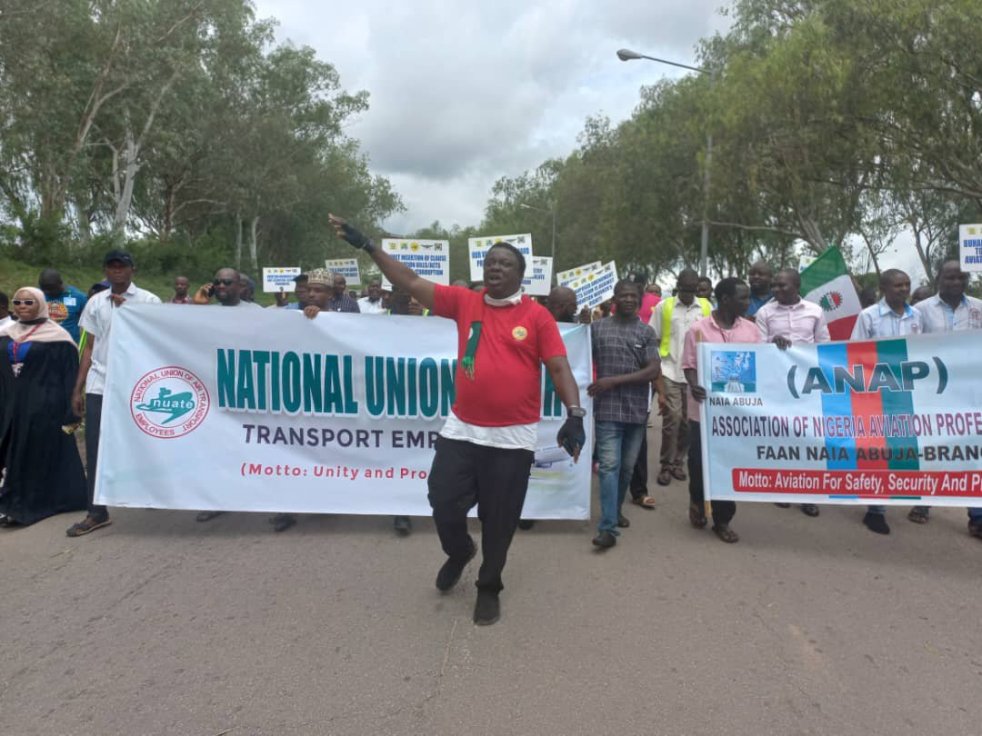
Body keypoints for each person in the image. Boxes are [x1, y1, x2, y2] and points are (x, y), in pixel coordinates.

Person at [329, 214, 585, 626]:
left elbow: (558, 368)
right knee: (442, 500)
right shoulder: (466, 302)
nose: (496, 268)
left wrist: (574, 414)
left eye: (506, 264)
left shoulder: (537, 317)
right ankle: (460, 550)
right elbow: (411, 281)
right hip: (462, 429)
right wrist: (369, 246)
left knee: (500, 521)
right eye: (491, 262)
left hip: (512, 438)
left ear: (521, 275)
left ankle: (489, 586)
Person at [66, 250, 161, 537]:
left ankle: (152, 492)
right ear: (106, 271)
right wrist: (78, 388)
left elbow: (159, 337)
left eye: (122, 266)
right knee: (96, 446)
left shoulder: (148, 301)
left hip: (136, 384)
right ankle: (96, 511)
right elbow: (89, 347)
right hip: (101, 382)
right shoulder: (95, 302)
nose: (117, 270)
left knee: (144, 440)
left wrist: (131, 313)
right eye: (112, 266)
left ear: (133, 269)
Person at [682, 277, 761, 543]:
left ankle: (723, 519)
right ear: (726, 299)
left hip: (737, 414)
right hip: (703, 412)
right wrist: (694, 385)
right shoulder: (698, 329)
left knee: (728, 465)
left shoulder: (751, 331)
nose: (748, 303)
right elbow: (689, 365)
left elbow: (761, 363)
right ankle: (697, 498)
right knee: (698, 463)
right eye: (743, 298)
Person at [0, 288, 87, 527]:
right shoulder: (8, 333)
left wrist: (72, 404)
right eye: (18, 302)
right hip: (13, 405)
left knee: (36, 453)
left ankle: (31, 504)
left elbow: (69, 373)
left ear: (40, 304)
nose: (22, 306)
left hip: (45, 405)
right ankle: (14, 502)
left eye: (29, 302)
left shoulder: (57, 336)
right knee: (14, 452)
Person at [907, 261, 982, 536]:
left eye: (961, 277)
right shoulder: (921, 310)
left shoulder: (978, 307)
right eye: (950, 277)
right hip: (933, 391)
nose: (955, 282)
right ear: (938, 278)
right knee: (933, 447)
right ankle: (924, 502)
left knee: (973, 450)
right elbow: (911, 345)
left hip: (971, 392)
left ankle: (977, 515)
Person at [850, 268, 923, 535]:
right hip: (878, 392)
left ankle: (908, 494)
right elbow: (857, 352)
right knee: (878, 450)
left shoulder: (917, 316)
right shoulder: (868, 316)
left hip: (908, 391)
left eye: (906, 284)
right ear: (883, 288)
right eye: (897, 285)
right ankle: (876, 510)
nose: (903, 289)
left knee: (903, 447)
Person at [589, 280, 661, 549]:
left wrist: (613, 381)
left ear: (640, 300)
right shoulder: (596, 329)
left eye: (634, 296)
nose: (629, 300)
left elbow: (653, 369)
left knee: (627, 468)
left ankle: (615, 510)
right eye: (624, 295)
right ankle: (608, 527)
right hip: (607, 410)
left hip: (636, 410)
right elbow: (576, 354)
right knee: (609, 466)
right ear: (614, 299)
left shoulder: (646, 332)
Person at [755, 268, 830, 517]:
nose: (776, 290)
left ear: (797, 286)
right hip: (777, 383)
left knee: (807, 437)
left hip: (808, 384)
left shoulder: (815, 311)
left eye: (782, 285)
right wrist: (772, 343)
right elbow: (758, 346)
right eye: (774, 285)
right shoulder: (764, 312)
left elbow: (824, 345)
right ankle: (783, 488)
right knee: (780, 436)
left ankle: (808, 494)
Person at [648, 269, 711, 491]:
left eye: (692, 290)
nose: (687, 294)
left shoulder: (706, 308)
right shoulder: (664, 307)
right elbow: (653, 337)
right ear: (678, 287)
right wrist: (654, 369)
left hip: (694, 374)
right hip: (669, 370)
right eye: (684, 290)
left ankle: (678, 462)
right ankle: (666, 464)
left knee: (687, 422)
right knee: (672, 418)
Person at [38, 268, 87, 343]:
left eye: (51, 289)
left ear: (60, 283)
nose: (48, 292)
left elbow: (88, 322)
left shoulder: (78, 297)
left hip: (69, 344)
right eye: (45, 289)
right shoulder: (37, 296)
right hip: (42, 343)